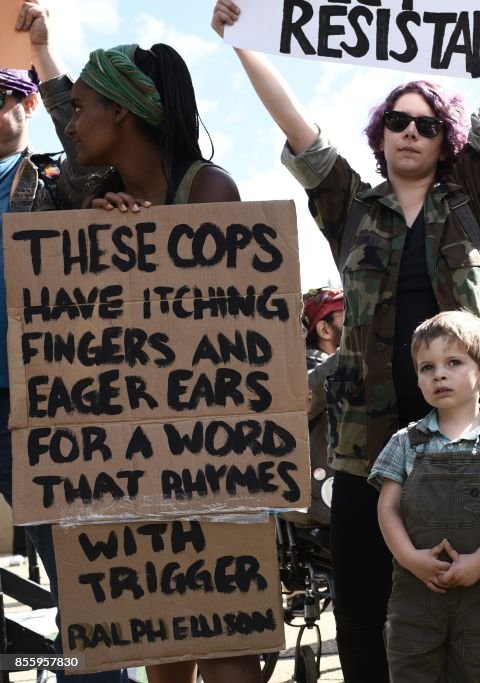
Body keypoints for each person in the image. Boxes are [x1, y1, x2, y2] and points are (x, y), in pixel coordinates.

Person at [211, 1, 480, 678]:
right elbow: (298, 130)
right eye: (397, 120)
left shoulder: (470, 197)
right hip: (365, 441)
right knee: (365, 602)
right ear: (382, 133)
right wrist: (243, 42)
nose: (409, 131)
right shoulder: (348, 203)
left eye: (426, 124)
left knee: (468, 604)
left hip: (466, 437)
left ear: (445, 138)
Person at [65, 37, 262, 683]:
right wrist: (100, 245)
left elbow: (233, 337)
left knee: (230, 650)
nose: (71, 122)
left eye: (81, 106)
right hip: (134, 463)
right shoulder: (90, 205)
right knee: (165, 645)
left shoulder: (208, 190)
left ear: (120, 111)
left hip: (215, 458)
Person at [2, 4, 123, 683]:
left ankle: (92, 675)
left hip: (42, 410)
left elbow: (80, 140)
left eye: (1, 94)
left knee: (77, 580)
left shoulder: (53, 185)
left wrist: (42, 55)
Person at [368, 311, 480, 682]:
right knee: (411, 671)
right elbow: (387, 507)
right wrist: (409, 558)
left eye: (453, 362)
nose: (439, 374)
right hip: (415, 595)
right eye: (426, 367)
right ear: (417, 378)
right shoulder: (406, 442)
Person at [297, 287, 345, 526]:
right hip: (319, 504)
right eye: (349, 317)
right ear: (324, 329)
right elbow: (306, 392)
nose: (357, 324)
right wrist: (357, 345)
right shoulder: (302, 367)